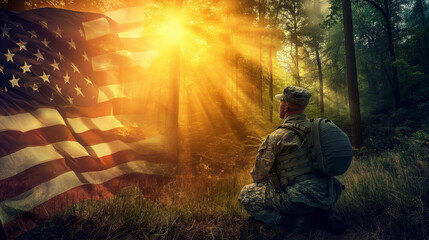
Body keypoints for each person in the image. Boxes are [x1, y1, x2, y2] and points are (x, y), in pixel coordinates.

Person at [238, 86, 345, 233]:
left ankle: (290, 222)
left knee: (246, 194)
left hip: (297, 200)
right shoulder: (318, 131)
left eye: (281, 102)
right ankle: (325, 213)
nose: (279, 105)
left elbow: (258, 175)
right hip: (328, 193)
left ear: (286, 106)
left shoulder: (277, 137)